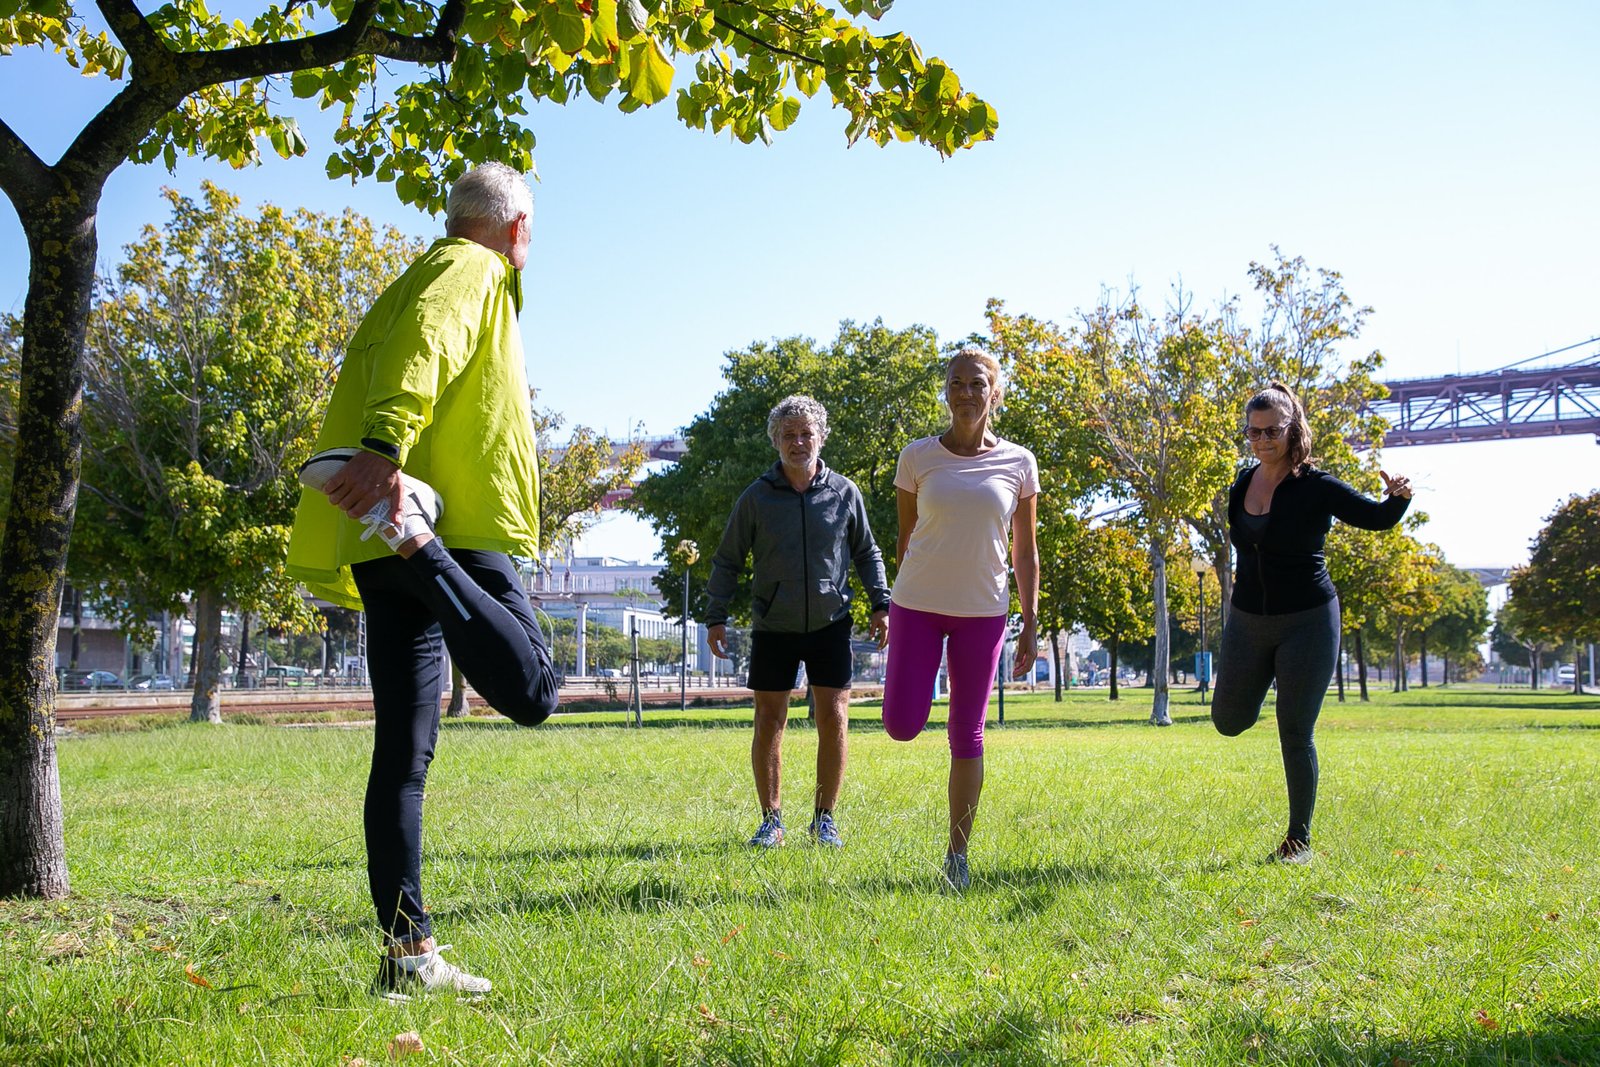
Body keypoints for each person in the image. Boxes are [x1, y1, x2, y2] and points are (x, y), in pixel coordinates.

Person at [286, 162, 561, 1001]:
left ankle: (407, 960)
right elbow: (425, 350)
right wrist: (386, 450)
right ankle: (420, 544)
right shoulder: (469, 267)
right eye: (533, 232)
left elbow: (401, 349)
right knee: (535, 690)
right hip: (441, 525)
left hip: (381, 533)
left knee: (401, 757)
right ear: (516, 228)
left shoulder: (412, 276)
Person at [1210, 381, 1412, 864]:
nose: (1261, 441)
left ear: (1292, 428)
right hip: (1247, 617)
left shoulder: (1317, 487)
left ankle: (1297, 840)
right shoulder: (1243, 480)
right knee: (1228, 720)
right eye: (1252, 433)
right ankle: (1263, 688)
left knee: (1295, 730)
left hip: (1307, 620)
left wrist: (1399, 498)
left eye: (1271, 431)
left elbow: (1378, 518)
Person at [880, 347, 1039, 891]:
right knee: (901, 725)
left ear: (994, 392)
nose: (967, 393)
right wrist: (906, 600)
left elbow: (1025, 551)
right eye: (957, 383)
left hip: (983, 610)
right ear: (945, 391)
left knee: (966, 732)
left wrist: (1031, 619)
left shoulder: (1019, 462)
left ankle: (957, 855)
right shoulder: (917, 457)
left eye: (978, 383)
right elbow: (905, 538)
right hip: (917, 604)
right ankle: (911, 696)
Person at [704, 395, 891, 849]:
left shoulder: (844, 493)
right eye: (789, 435)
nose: (798, 442)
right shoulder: (757, 496)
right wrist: (715, 615)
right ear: (776, 441)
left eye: (806, 433)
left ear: (820, 437)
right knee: (769, 720)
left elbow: (867, 552)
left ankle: (824, 819)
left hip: (832, 622)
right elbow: (727, 560)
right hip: (774, 625)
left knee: (834, 716)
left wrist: (882, 604)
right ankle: (771, 820)